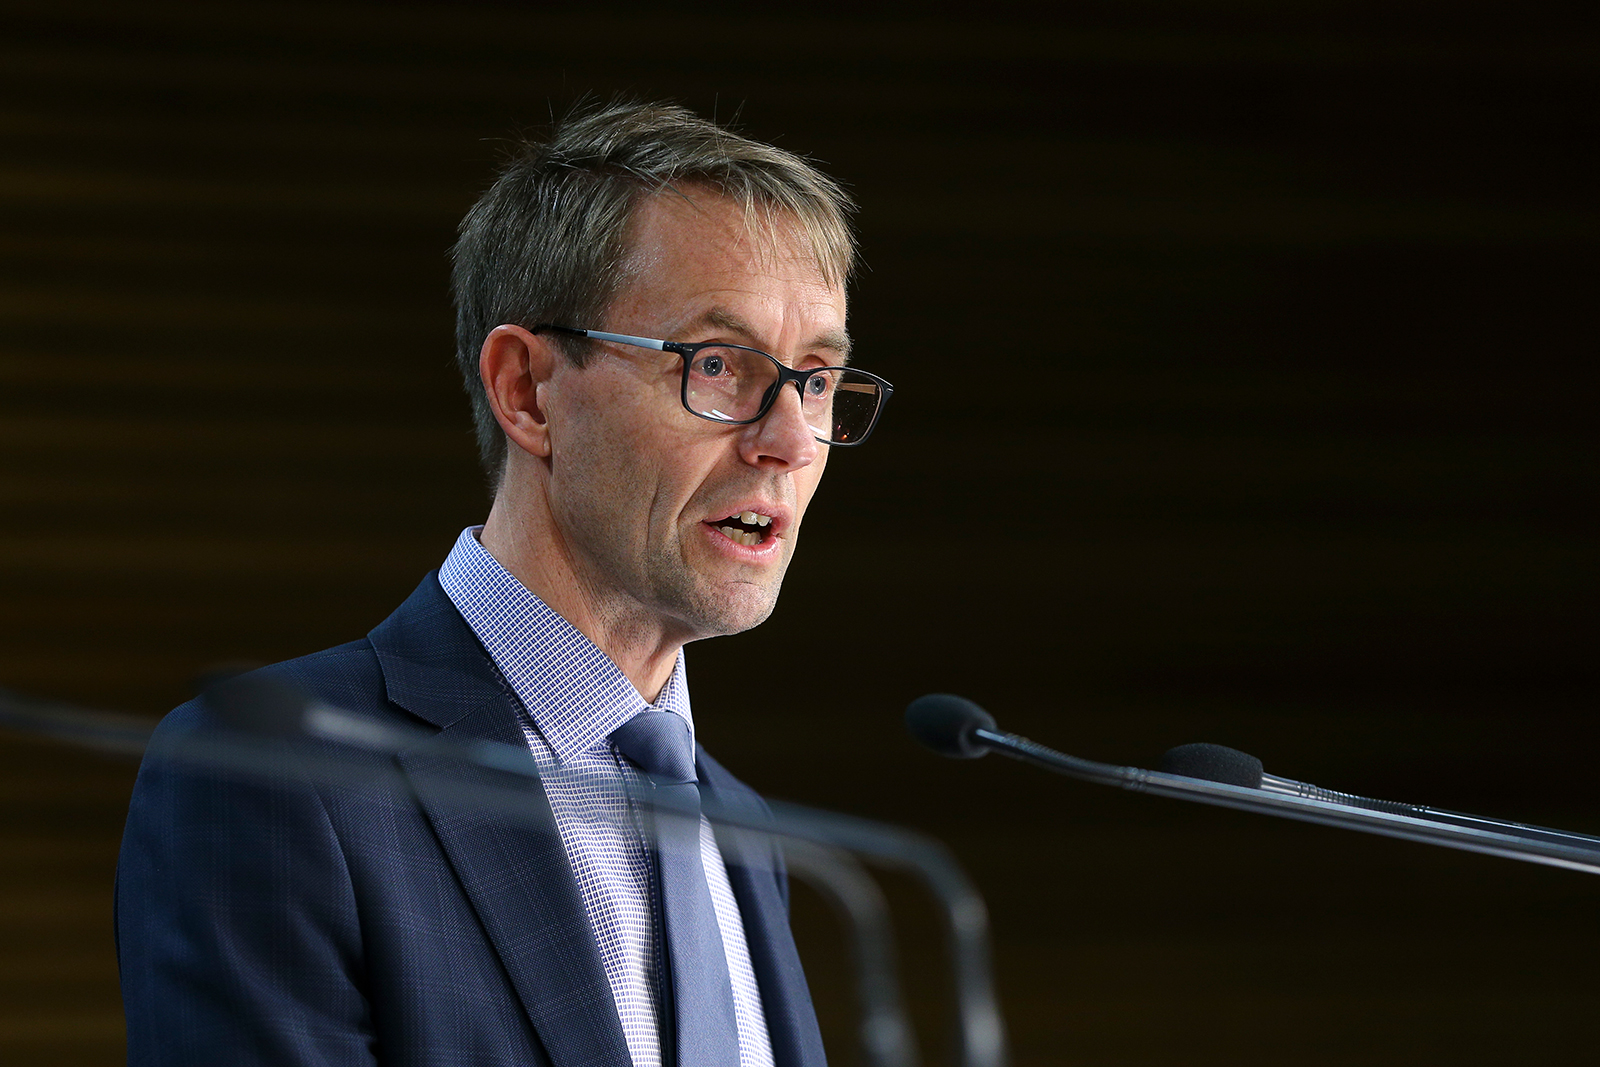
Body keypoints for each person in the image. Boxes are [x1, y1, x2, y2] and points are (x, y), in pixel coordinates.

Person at [115, 100, 894, 1067]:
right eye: (720, 366)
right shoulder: (277, 777)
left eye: (817, 380)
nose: (786, 441)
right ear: (527, 390)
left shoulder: (744, 830)